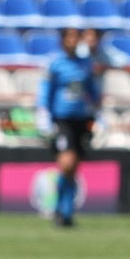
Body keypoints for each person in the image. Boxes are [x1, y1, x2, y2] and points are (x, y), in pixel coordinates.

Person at [35, 27, 103, 228]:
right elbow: (45, 90)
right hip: (62, 120)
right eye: (71, 37)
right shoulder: (54, 63)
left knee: (73, 168)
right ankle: (60, 209)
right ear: (63, 40)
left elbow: (93, 93)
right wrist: (43, 115)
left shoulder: (85, 64)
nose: (75, 41)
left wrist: (99, 117)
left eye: (77, 37)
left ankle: (65, 212)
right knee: (66, 163)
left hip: (81, 120)